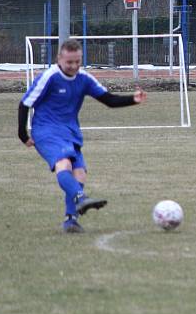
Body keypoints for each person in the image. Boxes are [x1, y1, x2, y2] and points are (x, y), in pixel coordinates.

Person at [18, 39, 147, 233]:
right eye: (69, 62)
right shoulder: (49, 77)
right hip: (46, 130)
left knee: (80, 173)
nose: (73, 66)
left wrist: (133, 100)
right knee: (64, 164)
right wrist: (22, 134)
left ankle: (71, 220)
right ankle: (81, 198)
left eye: (77, 62)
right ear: (59, 59)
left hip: (70, 132)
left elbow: (108, 100)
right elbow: (25, 103)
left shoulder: (84, 78)